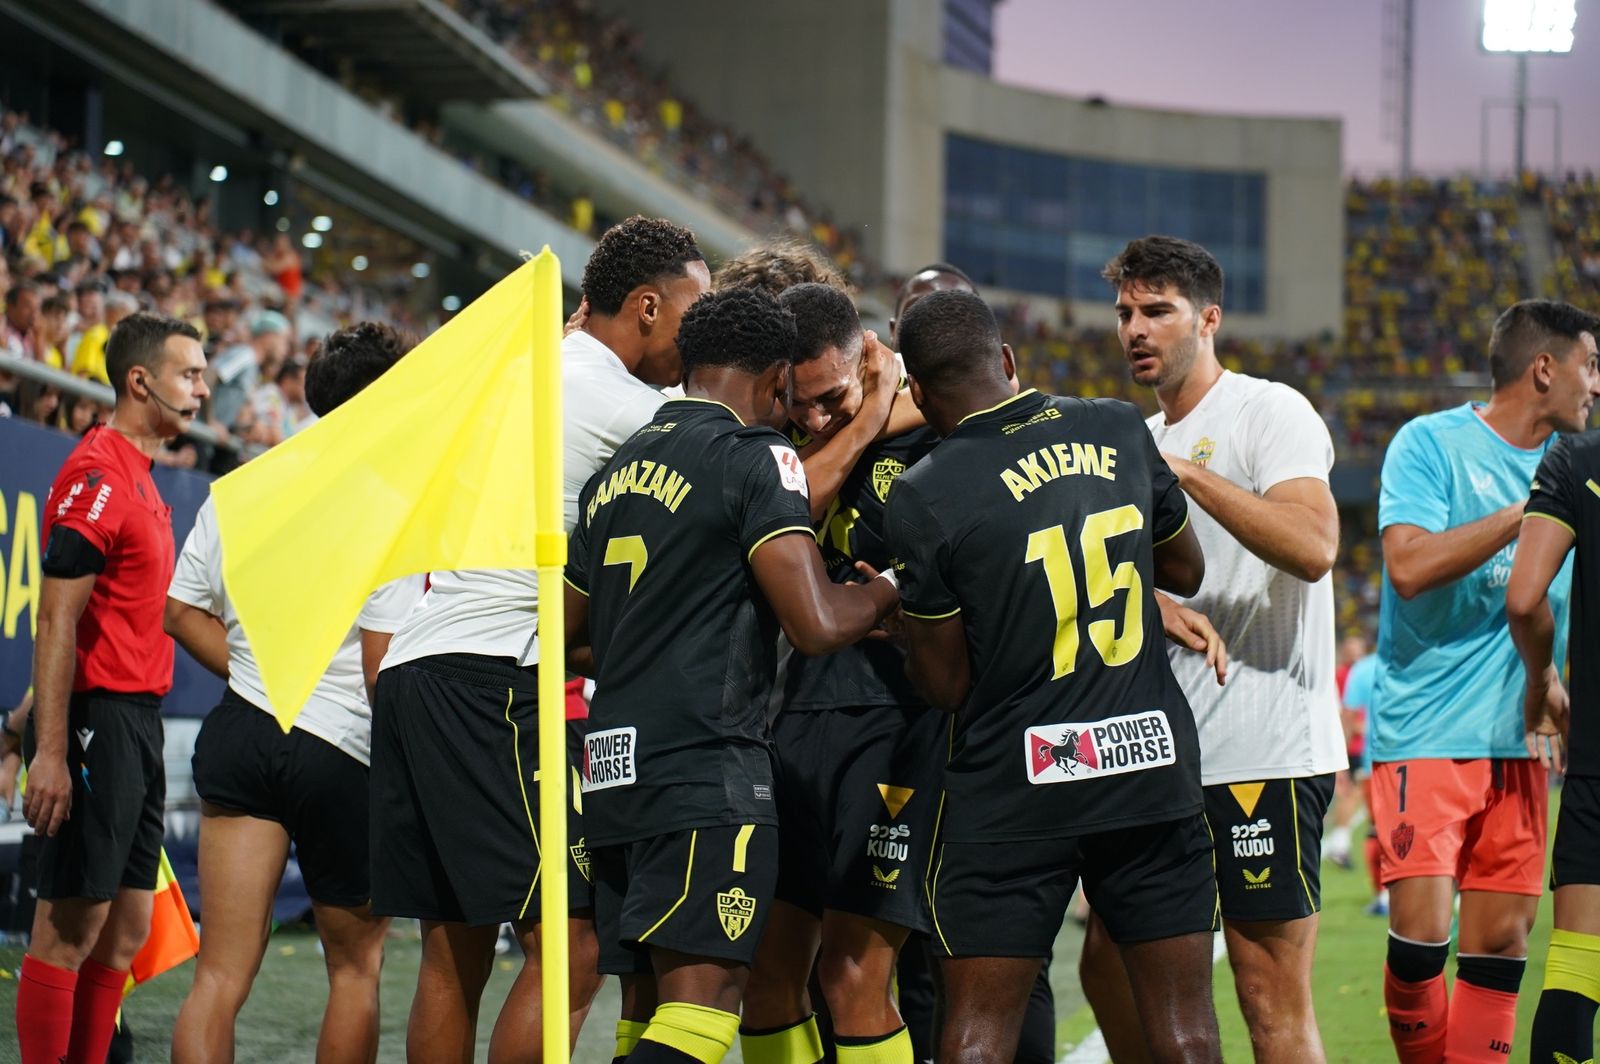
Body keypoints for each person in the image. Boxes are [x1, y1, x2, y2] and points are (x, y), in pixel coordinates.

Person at [370, 216, 710, 1063]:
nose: (697, 335)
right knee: (574, 942)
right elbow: (728, 445)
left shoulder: (531, 373)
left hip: (422, 663)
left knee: (453, 953)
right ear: (643, 306)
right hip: (493, 677)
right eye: (690, 313)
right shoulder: (613, 397)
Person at [563, 285, 902, 1064]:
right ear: (778, 378)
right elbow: (816, 623)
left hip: (612, 772)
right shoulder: (756, 456)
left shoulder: (614, 476)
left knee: (644, 1011)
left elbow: (571, 637)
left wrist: (663, 640)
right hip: (704, 770)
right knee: (705, 1011)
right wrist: (889, 588)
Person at [885, 289, 1220, 1064]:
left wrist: (907, 620)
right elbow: (1186, 567)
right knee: (1186, 1028)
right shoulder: (1113, 423)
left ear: (922, 397)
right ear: (1006, 361)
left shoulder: (924, 490)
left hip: (1015, 783)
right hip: (1146, 767)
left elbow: (944, 685)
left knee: (976, 1033)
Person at [1076, 235, 1343, 1064]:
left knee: (1267, 997)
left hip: (1262, 747)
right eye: (1125, 313)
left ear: (1209, 318)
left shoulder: (1270, 411)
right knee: (1107, 966)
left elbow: (1313, 544)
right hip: (1157, 756)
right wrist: (1155, 603)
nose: (1135, 330)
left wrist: (1182, 473)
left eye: (1157, 310)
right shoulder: (1136, 440)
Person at [165, 322, 423, 1064]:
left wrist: (257, 674)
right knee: (354, 972)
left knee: (217, 977)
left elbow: (179, 610)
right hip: (342, 749)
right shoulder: (390, 503)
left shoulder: (246, 485)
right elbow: (380, 671)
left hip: (245, 730)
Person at [1373, 300, 1600, 1063]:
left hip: (1520, 736)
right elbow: (1406, 567)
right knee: (1419, 939)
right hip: (1426, 729)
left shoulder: (1581, 468)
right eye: (1588, 367)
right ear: (1545, 368)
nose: (1595, 387)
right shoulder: (1430, 444)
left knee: (1501, 945)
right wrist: (1532, 512)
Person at [15, 312, 208, 1064]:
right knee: (67, 932)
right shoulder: (98, 474)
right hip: (98, 724)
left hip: (138, 723)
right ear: (140, 380)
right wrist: (51, 751)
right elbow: (56, 620)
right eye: (188, 374)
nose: (200, 388)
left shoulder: (142, 477)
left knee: (125, 929)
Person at [1507, 406, 1600, 1064]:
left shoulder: (1576, 459)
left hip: (1596, 763)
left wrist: (1541, 681)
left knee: (1574, 973)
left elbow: (1523, 597)